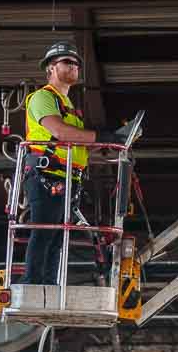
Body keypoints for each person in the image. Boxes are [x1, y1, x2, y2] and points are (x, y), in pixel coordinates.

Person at [18, 43, 130, 286]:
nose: (74, 67)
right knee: (45, 232)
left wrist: (108, 141)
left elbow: (78, 145)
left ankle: (47, 285)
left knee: (57, 237)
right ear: (50, 68)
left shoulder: (70, 109)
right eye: (67, 62)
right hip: (46, 176)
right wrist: (100, 137)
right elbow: (60, 132)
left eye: (76, 64)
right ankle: (32, 284)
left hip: (67, 179)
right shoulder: (43, 97)